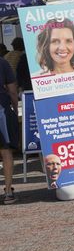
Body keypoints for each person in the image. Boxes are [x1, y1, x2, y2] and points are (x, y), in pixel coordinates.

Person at [0, 57, 19, 204]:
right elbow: (12, 90)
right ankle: (7, 193)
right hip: (1, 110)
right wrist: (14, 107)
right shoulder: (3, 62)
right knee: (6, 152)